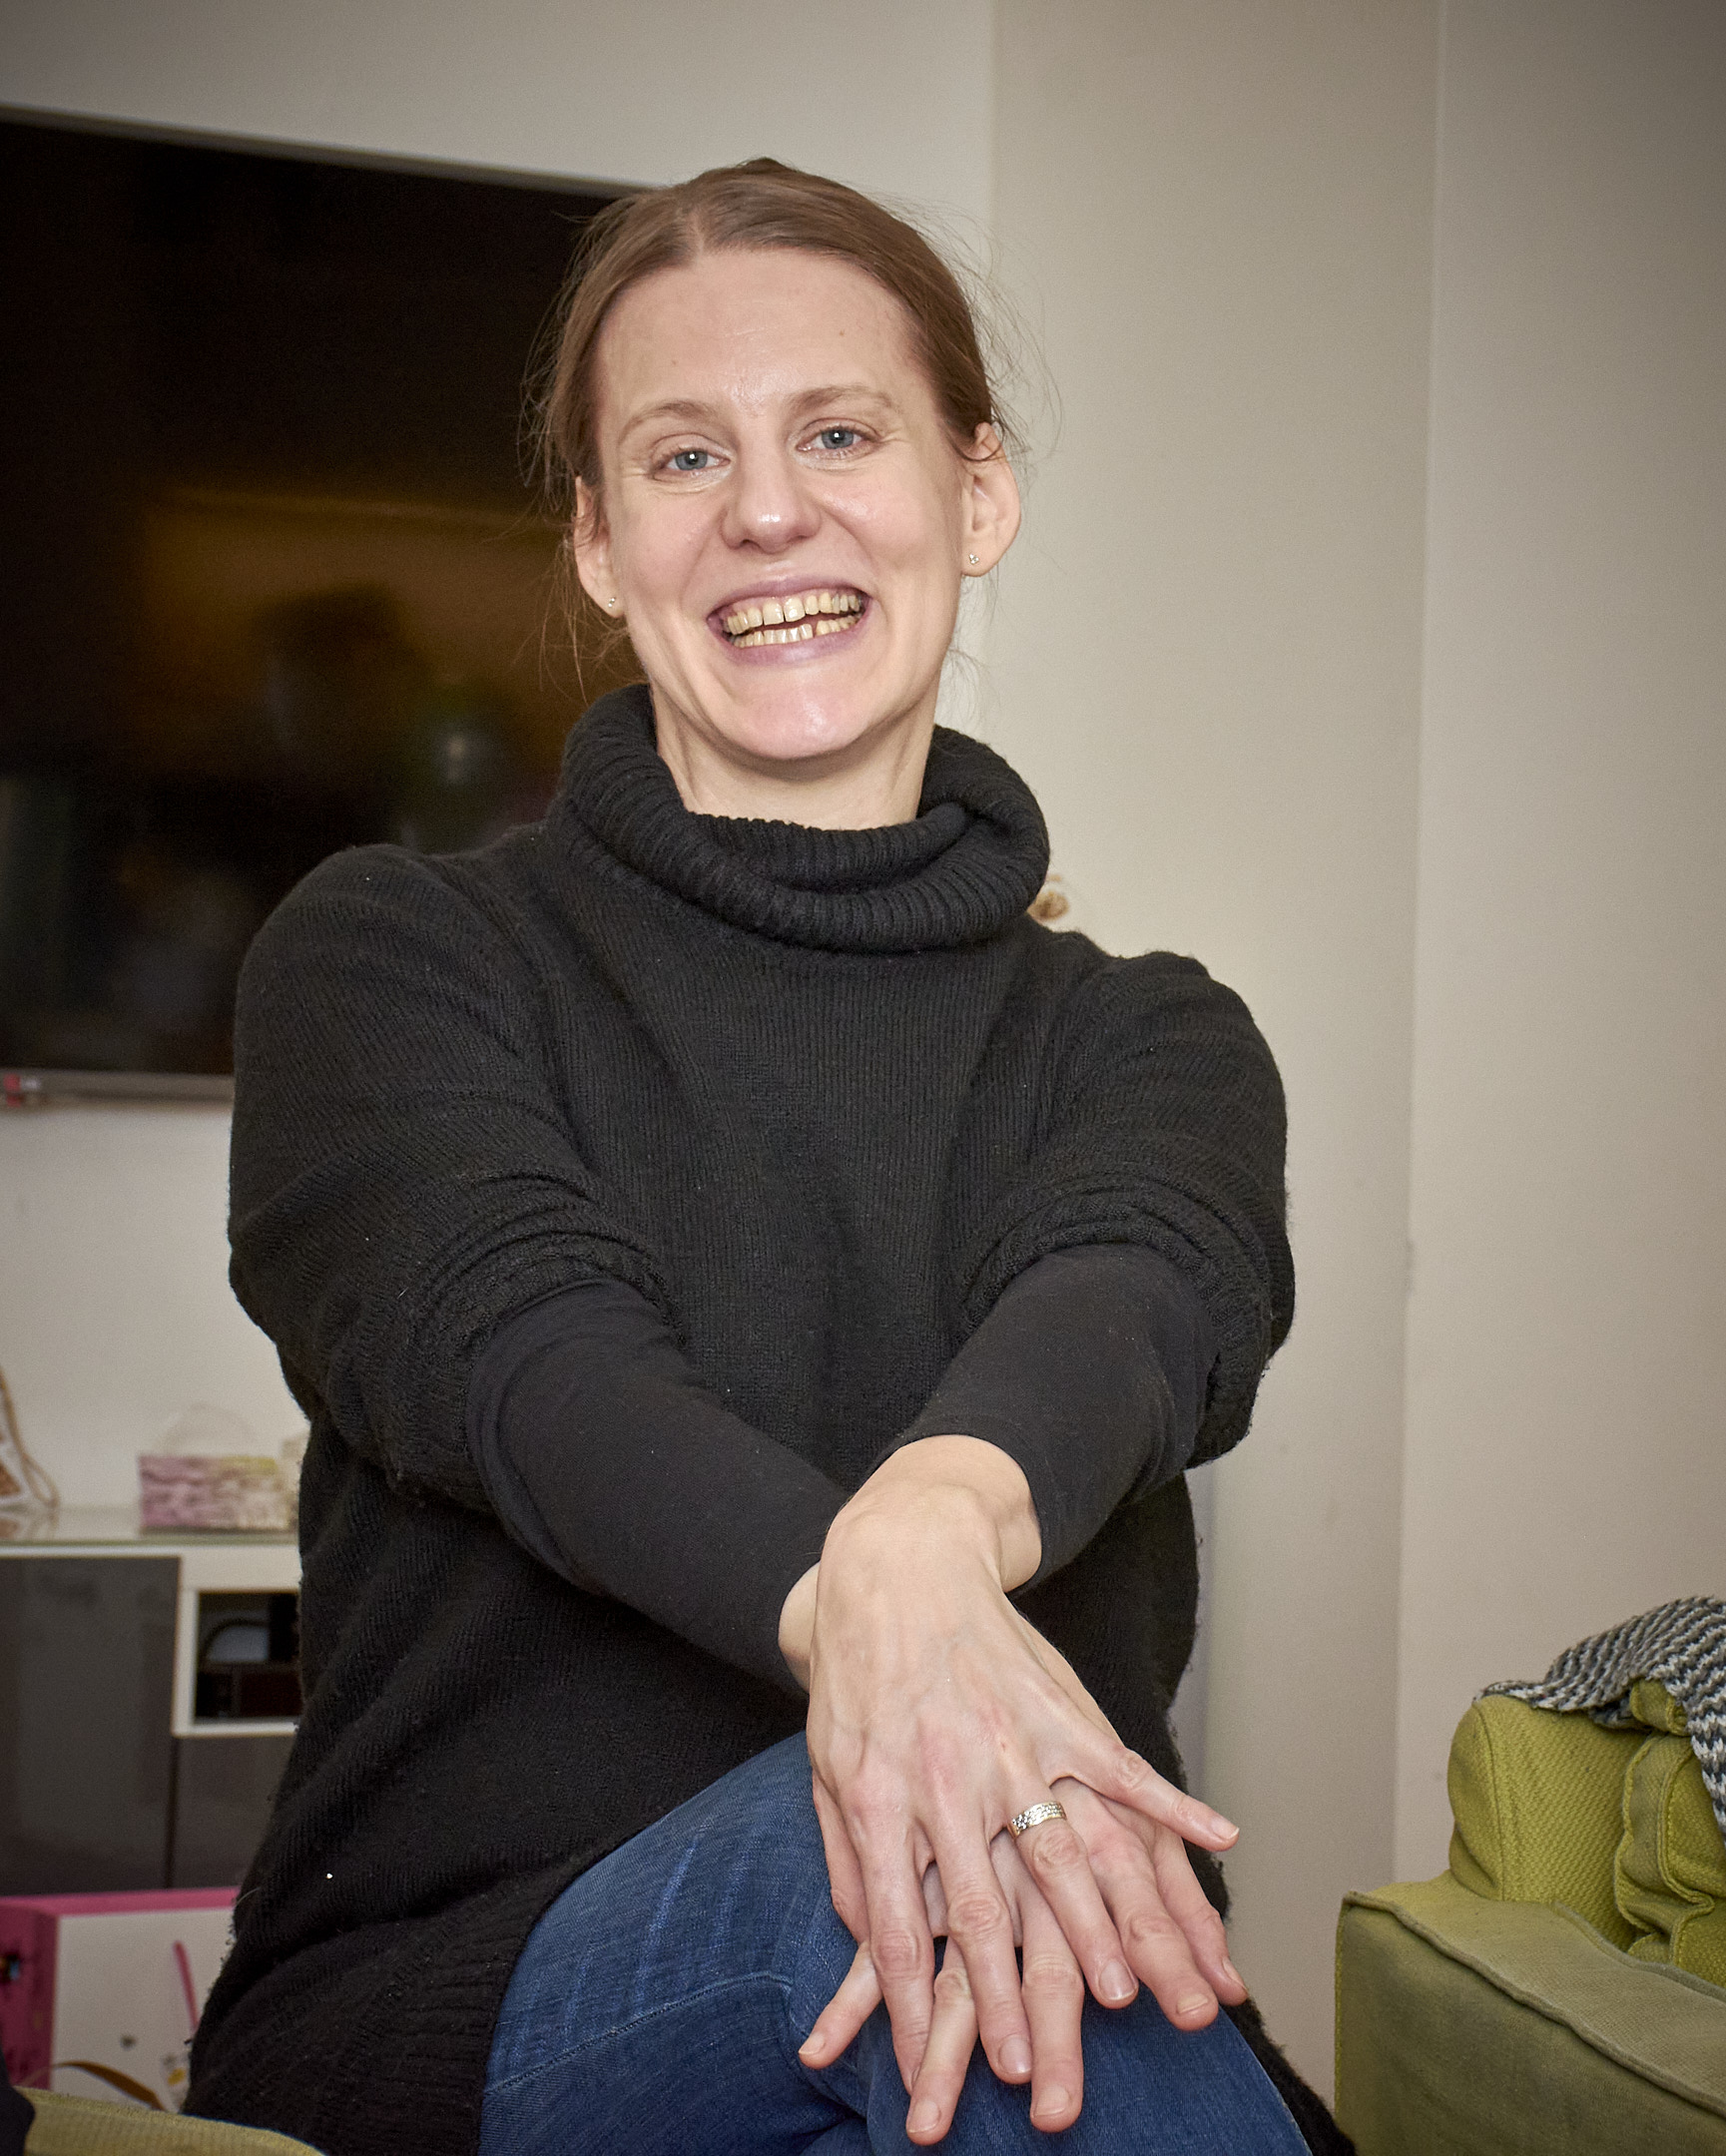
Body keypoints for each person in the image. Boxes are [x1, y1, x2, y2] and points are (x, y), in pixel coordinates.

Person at [187, 160, 1326, 2156]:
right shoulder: (394, 958)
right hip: (478, 2004)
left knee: (971, 1904)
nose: (768, 510)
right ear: (600, 540)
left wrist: (922, 1535)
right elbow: (535, 1361)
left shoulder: (1149, 1037)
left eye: (839, 434)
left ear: (977, 490)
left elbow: (1129, 1302)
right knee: (881, 1853)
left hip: (1027, 2015)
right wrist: (877, 1623)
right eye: (684, 454)